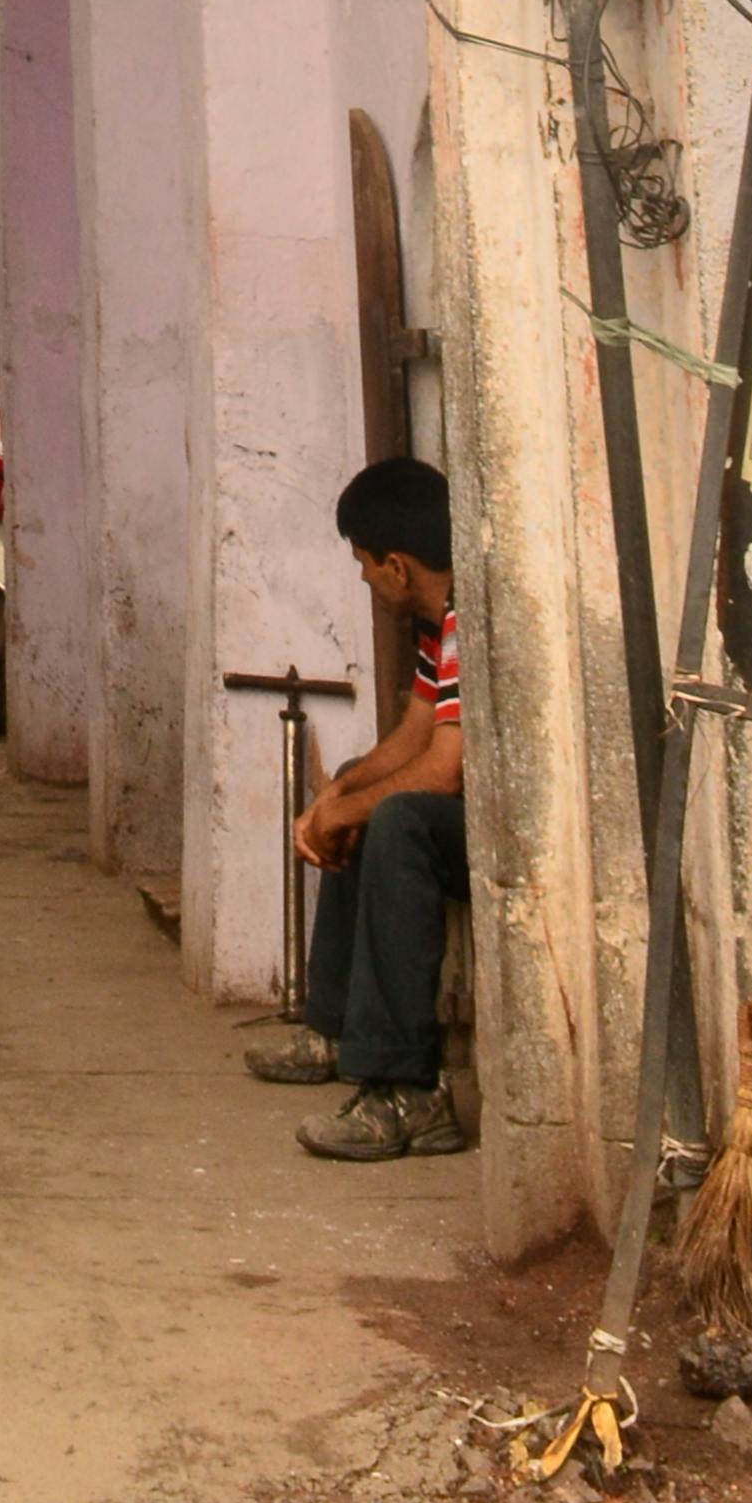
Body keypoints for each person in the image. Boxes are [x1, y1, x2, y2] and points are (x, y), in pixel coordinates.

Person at [245, 456, 473, 1163]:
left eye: (365, 564)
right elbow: (414, 730)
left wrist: (345, 816)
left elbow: (442, 770)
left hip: (513, 834)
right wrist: (339, 795)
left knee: (398, 820)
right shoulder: (439, 623)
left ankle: (408, 1091)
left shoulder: (472, 618)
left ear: (398, 567)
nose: (365, 579)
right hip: (465, 811)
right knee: (356, 786)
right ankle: (339, 1027)